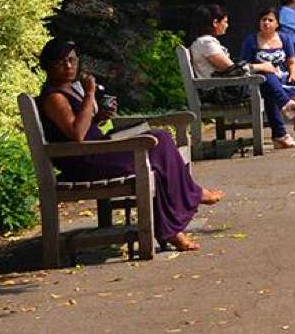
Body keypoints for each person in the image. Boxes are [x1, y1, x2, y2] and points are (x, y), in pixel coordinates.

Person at [37, 38, 221, 251]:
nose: (68, 66)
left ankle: (177, 220)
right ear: (48, 66)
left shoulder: (68, 89)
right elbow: (77, 135)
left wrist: (99, 118)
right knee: (159, 142)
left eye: (71, 60)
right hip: (86, 161)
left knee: (159, 142)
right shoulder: (54, 97)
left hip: (96, 151)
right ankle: (185, 208)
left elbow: (80, 127)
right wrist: (89, 94)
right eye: (61, 62)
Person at [187, 5, 295, 149]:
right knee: (265, 76)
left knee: (267, 83)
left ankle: (282, 130)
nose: (227, 25)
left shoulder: (205, 42)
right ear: (215, 23)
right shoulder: (206, 43)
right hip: (219, 91)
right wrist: (262, 67)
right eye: (225, 21)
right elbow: (232, 69)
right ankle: (284, 116)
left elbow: (232, 69)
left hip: (221, 87)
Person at [242, 8, 295, 142]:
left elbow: (292, 61)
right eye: (263, 20)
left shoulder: (284, 39)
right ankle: (280, 132)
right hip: (259, 79)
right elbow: (244, 65)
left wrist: (293, 74)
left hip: (282, 75)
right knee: (269, 83)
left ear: (277, 24)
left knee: (292, 82)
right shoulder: (251, 41)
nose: (266, 23)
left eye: (271, 20)